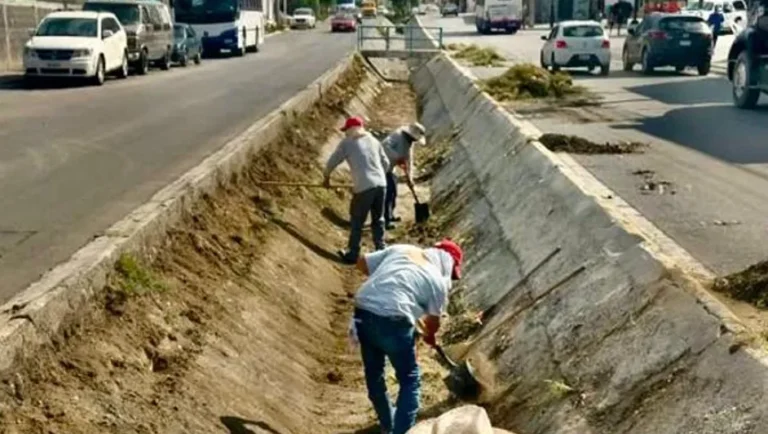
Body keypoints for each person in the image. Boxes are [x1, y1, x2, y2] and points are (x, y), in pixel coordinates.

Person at [350, 239, 464, 434]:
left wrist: (387, 282)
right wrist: (430, 336)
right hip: (394, 320)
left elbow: (361, 263)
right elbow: (432, 324)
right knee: (410, 380)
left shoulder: (403, 249)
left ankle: (387, 424)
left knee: (374, 374)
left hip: (364, 310)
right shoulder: (437, 281)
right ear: (448, 262)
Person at [324, 116, 390, 264]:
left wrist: (326, 177)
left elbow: (333, 160)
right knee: (378, 219)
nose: (345, 133)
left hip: (365, 187)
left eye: (346, 130)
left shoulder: (348, 143)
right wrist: (377, 177)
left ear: (350, 129)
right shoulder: (374, 141)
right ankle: (381, 251)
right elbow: (385, 163)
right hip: (381, 184)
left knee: (357, 220)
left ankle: (353, 253)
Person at [381, 123, 426, 229]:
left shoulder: (410, 143)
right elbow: (384, 146)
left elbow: (409, 160)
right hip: (381, 166)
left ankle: (390, 215)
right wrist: (397, 157)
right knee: (388, 193)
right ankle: (385, 220)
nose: (415, 141)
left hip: (390, 168)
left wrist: (410, 178)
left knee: (393, 192)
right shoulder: (397, 136)